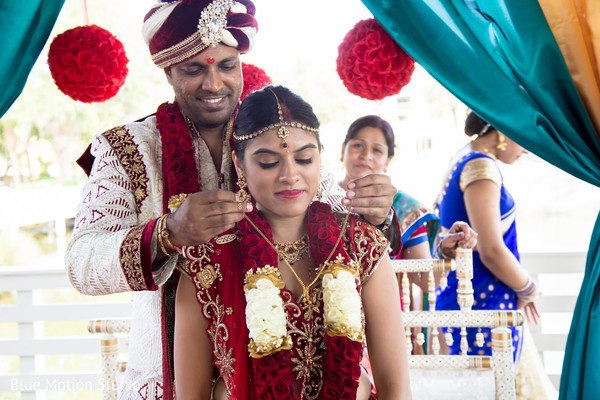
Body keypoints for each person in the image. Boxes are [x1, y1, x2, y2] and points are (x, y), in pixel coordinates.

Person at [64, 1, 400, 398]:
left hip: (287, 373)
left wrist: (378, 214)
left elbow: (341, 224)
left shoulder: (269, 130)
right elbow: (81, 264)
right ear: (168, 70)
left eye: (226, 66)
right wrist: (167, 234)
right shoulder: (127, 149)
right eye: (194, 69)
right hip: (164, 368)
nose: (213, 83)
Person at [174, 85, 411, 400]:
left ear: (320, 159)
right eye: (269, 162)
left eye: (303, 158)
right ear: (240, 164)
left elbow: (395, 387)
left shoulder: (361, 244)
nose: (290, 174)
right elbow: (191, 394)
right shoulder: (208, 259)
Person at [434, 111, 540, 362]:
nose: (527, 150)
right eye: (525, 138)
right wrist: (529, 289)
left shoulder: (463, 156)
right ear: (503, 129)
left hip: (468, 298)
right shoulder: (480, 166)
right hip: (482, 302)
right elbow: (491, 250)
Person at [339, 115, 477, 282]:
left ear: (388, 161)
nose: (366, 155)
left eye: (377, 150)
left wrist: (445, 252)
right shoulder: (319, 197)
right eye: (358, 145)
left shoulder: (404, 209)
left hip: (384, 307)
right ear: (342, 150)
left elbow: (426, 281)